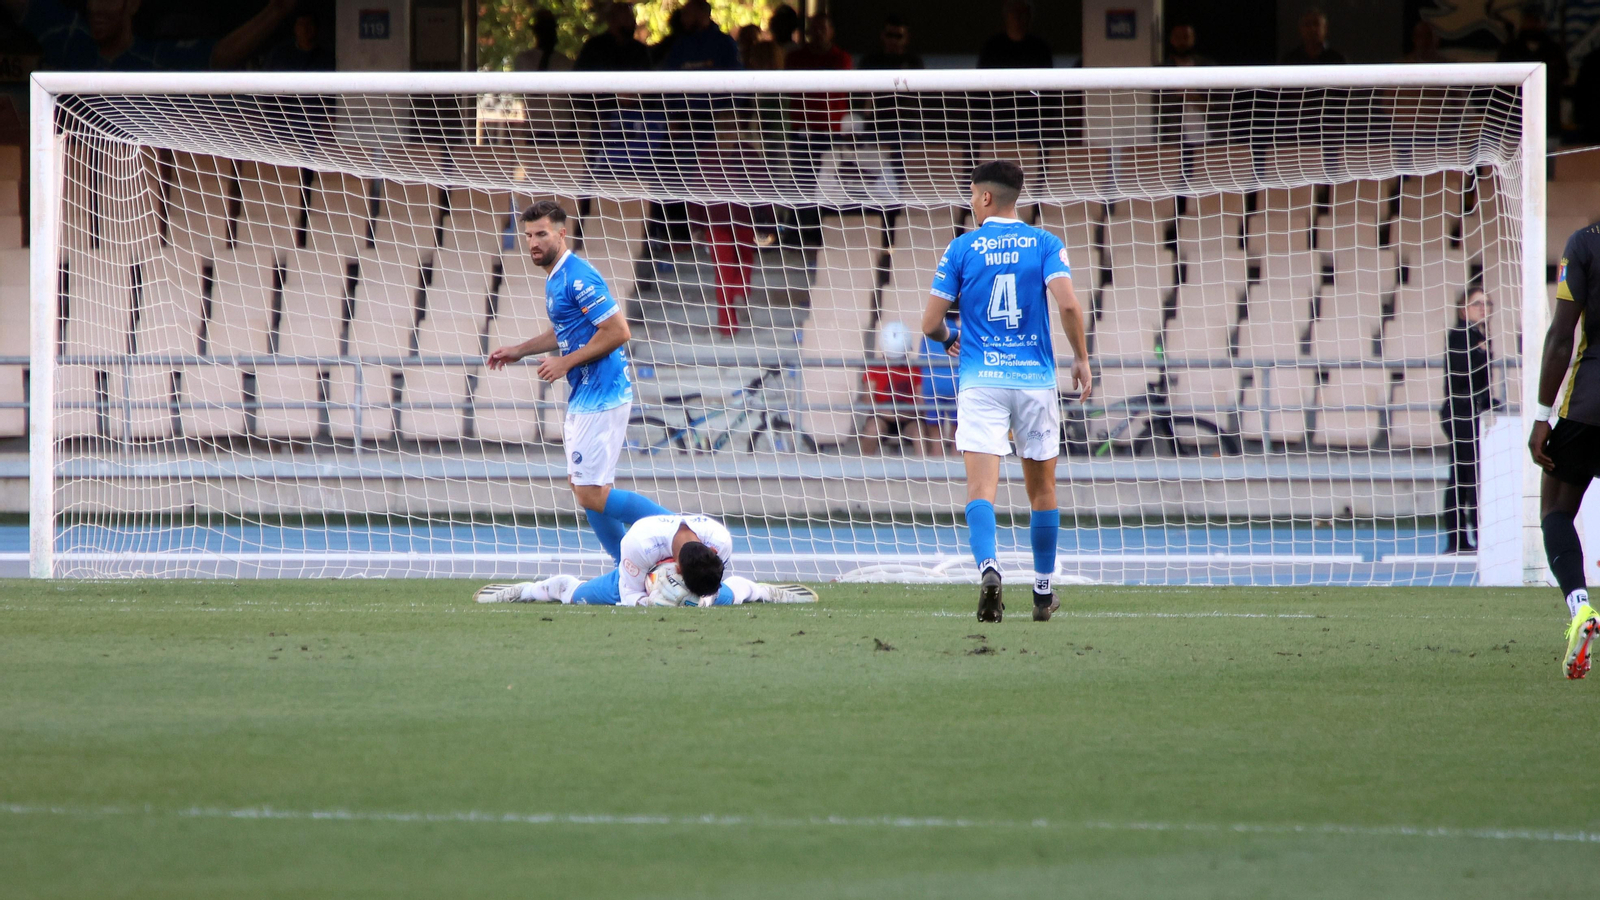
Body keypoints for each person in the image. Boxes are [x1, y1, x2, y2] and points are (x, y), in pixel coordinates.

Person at [921, 160, 1091, 623]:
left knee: (981, 488)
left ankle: (990, 567)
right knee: (1043, 491)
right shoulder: (1044, 244)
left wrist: (950, 339)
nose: (970, 203)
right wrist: (1080, 357)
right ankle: (1042, 593)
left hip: (981, 382)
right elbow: (1070, 305)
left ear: (985, 198)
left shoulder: (961, 247)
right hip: (1034, 382)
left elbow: (930, 324)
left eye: (972, 196)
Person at [487, 201, 671, 563]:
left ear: (561, 233)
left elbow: (619, 331)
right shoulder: (556, 277)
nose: (533, 243)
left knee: (589, 493)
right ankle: (627, 568)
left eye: (541, 234)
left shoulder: (578, 276)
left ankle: (685, 535)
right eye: (528, 236)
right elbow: (567, 329)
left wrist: (564, 363)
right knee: (585, 487)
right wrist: (521, 350)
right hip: (587, 393)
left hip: (602, 393)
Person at [473, 513, 816, 607]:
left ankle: (763, 591)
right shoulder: (637, 544)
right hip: (638, 576)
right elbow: (630, 596)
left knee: (730, 597)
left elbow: (711, 585)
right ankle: (533, 590)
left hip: (690, 576)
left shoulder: (721, 541)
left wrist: (703, 601)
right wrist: (655, 601)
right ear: (678, 569)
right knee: (576, 596)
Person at [1530, 224, 1600, 680]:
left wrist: (1542, 417)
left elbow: (1561, 336)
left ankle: (1580, 607)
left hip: (1589, 404)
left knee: (1555, 509)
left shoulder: (1584, 244)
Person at [3, 0, 295, 70]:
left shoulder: (154, 58)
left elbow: (218, 55)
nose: (99, 8)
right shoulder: (67, 36)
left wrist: (277, 11)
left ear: (133, 5)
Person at [1440, 287, 1493, 554]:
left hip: (1472, 410)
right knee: (1463, 476)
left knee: (1468, 475)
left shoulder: (1479, 336)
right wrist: (1479, 351)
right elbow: (1461, 374)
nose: (1484, 308)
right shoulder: (1460, 336)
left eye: (1487, 303)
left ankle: (1467, 536)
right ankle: (1458, 538)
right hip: (1459, 411)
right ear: (1464, 309)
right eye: (1477, 304)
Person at [1497, 5, 1566, 135]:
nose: (1532, 24)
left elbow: (1561, 77)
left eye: (1536, 20)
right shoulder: (1510, 49)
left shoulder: (1554, 50)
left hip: (1547, 119)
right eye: (1529, 20)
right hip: (1514, 122)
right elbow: (1502, 85)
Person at [860, 322, 924, 456]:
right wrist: (888, 413)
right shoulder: (874, 367)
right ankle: (865, 470)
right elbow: (868, 399)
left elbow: (920, 400)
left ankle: (924, 473)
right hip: (882, 417)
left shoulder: (914, 368)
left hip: (908, 418)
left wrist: (905, 414)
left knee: (920, 434)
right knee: (872, 430)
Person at [918, 309, 960, 457]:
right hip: (957, 386)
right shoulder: (961, 333)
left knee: (936, 435)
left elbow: (921, 360)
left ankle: (937, 468)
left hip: (932, 386)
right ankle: (956, 469)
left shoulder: (929, 335)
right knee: (958, 432)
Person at [660, 0, 739, 71]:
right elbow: (669, 72)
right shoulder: (679, 44)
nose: (682, 19)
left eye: (687, 14)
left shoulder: (725, 44)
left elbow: (735, 74)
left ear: (701, 15)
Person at [575, 1, 651, 72]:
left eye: (630, 18)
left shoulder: (639, 50)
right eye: (626, 19)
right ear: (612, 21)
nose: (632, 23)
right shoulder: (594, 48)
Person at [977, 0, 1053, 69]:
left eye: (1022, 12)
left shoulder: (1040, 49)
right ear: (1006, 16)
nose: (1017, 17)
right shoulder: (991, 49)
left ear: (1029, 16)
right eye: (1014, 12)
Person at [258, 11, 334, 71]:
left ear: (316, 28)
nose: (305, 29)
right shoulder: (279, 54)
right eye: (301, 24)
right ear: (295, 28)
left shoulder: (327, 58)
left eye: (309, 24)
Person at [514, 8, 573, 72]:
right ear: (538, 32)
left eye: (550, 29)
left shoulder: (564, 62)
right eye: (545, 30)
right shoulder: (524, 60)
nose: (548, 34)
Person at [1282, 8, 1346, 64]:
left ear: (1325, 29)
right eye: (1307, 24)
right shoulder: (1290, 60)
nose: (1312, 29)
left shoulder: (1337, 60)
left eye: (1316, 24)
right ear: (1300, 29)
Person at [859, 15, 923, 70]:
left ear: (907, 38)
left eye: (898, 36)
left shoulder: (914, 64)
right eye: (889, 35)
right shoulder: (869, 62)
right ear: (882, 35)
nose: (893, 40)